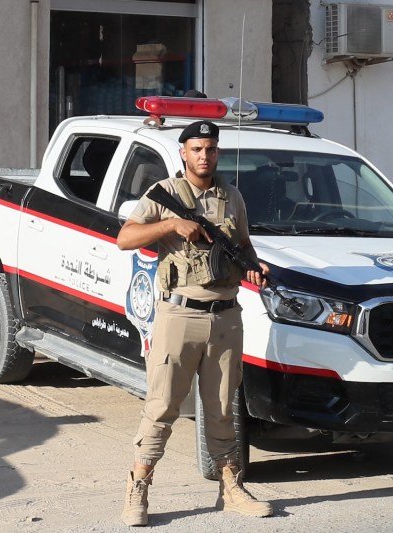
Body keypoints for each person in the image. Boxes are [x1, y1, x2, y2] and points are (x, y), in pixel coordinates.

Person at [117, 120, 273, 526]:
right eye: (197, 149)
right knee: (163, 405)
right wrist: (171, 224)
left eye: (211, 149)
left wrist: (254, 267)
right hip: (179, 313)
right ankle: (139, 486)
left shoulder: (232, 196)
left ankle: (231, 487)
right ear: (184, 153)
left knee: (223, 407)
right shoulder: (164, 194)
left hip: (225, 315)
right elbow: (125, 237)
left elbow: (242, 244)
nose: (205, 156)